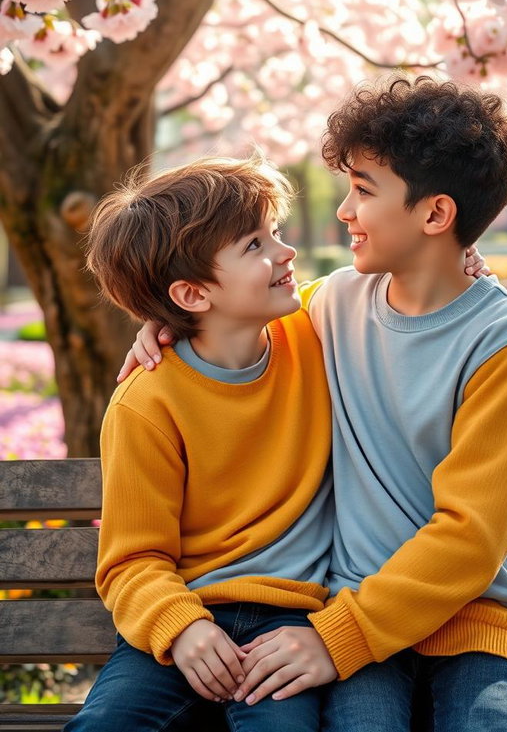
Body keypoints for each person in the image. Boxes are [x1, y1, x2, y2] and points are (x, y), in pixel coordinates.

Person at [124, 76, 507, 732]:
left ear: (435, 215)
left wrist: (336, 637)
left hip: (476, 619)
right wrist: (166, 326)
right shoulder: (330, 307)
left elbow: (470, 538)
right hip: (353, 614)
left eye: (363, 190)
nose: (343, 211)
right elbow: (230, 317)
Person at [65, 156, 341, 732]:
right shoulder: (147, 402)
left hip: (289, 628)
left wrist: (467, 259)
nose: (285, 252)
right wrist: (183, 628)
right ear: (192, 294)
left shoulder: (320, 327)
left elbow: (405, 282)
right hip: (182, 619)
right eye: (254, 245)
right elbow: (132, 559)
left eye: (277, 233)